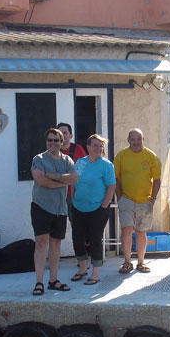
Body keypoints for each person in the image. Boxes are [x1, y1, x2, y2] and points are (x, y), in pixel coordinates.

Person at [30, 128, 78, 296]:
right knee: (42, 242)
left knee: (56, 244)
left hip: (60, 208)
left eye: (56, 140)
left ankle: (53, 280)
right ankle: (38, 282)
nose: (53, 143)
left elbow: (74, 178)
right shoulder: (39, 159)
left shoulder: (67, 160)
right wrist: (62, 181)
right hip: (41, 207)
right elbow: (41, 181)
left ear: (62, 142)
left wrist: (54, 175)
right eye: (50, 140)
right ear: (46, 142)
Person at [113, 128, 162, 274]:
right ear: (128, 140)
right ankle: (127, 262)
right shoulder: (121, 156)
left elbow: (157, 180)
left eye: (138, 139)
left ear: (143, 139)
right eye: (133, 139)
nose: (136, 142)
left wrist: (152, 199)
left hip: (145, 201)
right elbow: (116, 178)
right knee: (126, 230)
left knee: (141, 232)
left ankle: (141, 262)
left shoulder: (151, 156)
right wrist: (120, 197)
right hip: (126, 200)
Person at [70, 134, 116, 285]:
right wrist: (72, 201)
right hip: (78, 207)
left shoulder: (106, 165)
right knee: (77, 239)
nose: (98, 148)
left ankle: (95, 274)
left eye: (100, 146)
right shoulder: (80, 162)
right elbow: (74, 182)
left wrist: (104, 205)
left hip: (97, 208)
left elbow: (111, 186)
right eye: (95, 145)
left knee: (95, 239)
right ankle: (82, 268)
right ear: (88, 147)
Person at [57, 122, 87, 222]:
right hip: (56, 194)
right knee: (56, 227)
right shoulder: (52, 152)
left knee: (78, 225)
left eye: (65, 133)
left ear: (71, 135)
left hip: (75, 194)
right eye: (60, 133)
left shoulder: (78, 149)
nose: (62, 135)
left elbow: (85, 171)